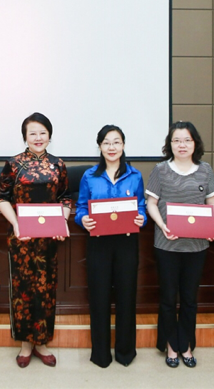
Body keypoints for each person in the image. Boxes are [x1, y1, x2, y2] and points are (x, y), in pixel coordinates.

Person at [0, 113, 71, 368]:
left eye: (43, 133)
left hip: (48, 240)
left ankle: (42, 342)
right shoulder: (14, 164)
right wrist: (16, 224)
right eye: (32, 133)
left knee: (46, 289)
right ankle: (25, 344)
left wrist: (62, 222)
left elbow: (65, 198)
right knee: (23, 291)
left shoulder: (58, 164)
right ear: (25, 137)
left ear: (49, 135)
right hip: (21, 238)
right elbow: (2, 198)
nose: (38, 138)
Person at [145, 121, 214, 368]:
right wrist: (162, 225)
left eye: (187, 140)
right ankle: (170, 345)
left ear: (195, 143)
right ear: (170, 144)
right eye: (176, 140)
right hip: (166, 244)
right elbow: (151, 203)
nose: (182, 145)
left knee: (189, 298)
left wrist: (213, 225)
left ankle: (185, 344)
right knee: (168, 298)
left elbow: (212, 202)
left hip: (197, 247)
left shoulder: (205, 170)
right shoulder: (160, 170)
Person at [75, 125, 147, 368]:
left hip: (127, 242)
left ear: (123, 145)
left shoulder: (135, 175)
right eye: (106, 142)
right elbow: (81, 207)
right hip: (99, 243)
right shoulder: (89, 176)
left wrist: (142, 218)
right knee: (99, 297)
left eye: (116, 142)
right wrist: (83, 219)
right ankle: (101, 355)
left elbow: (141, 207)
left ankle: (125, 352)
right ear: (100, 147)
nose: (112, 147)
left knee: (127, 296)